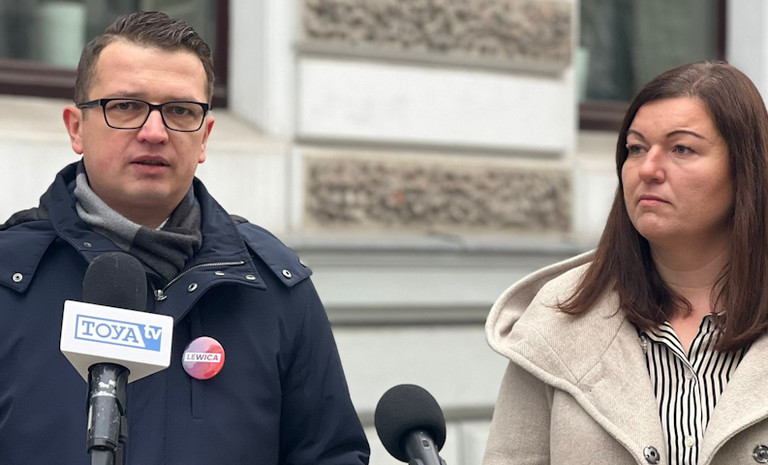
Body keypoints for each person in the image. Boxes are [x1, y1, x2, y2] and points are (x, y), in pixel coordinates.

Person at [0, 11, 369, 465]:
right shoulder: (9, 278)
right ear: (76, 128)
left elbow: (330, 455)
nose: (154, 133)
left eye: (180, 111)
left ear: (205, 136)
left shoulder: (274, 288)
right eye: (126, 106)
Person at [483, 60, 768, 465]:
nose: (647, 169)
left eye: (681, 149)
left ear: (745, 170)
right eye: (636, 148)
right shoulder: (557, 320)